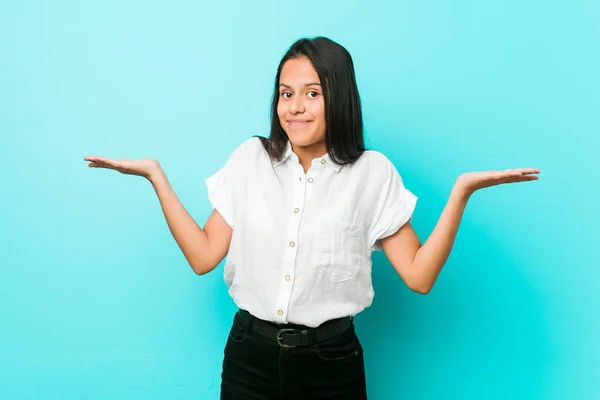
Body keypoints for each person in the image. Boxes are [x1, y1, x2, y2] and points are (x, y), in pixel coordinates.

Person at [84, 36, 540, 399]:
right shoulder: (249, 159)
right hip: (249, 357)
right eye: (286, 94)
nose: (295, 107)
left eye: (312, 93)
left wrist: (461, 191)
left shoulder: (373, 173)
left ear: (337, 97)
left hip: (332, 364)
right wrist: (156, 178)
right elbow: (204, 255)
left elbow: (419, 276)